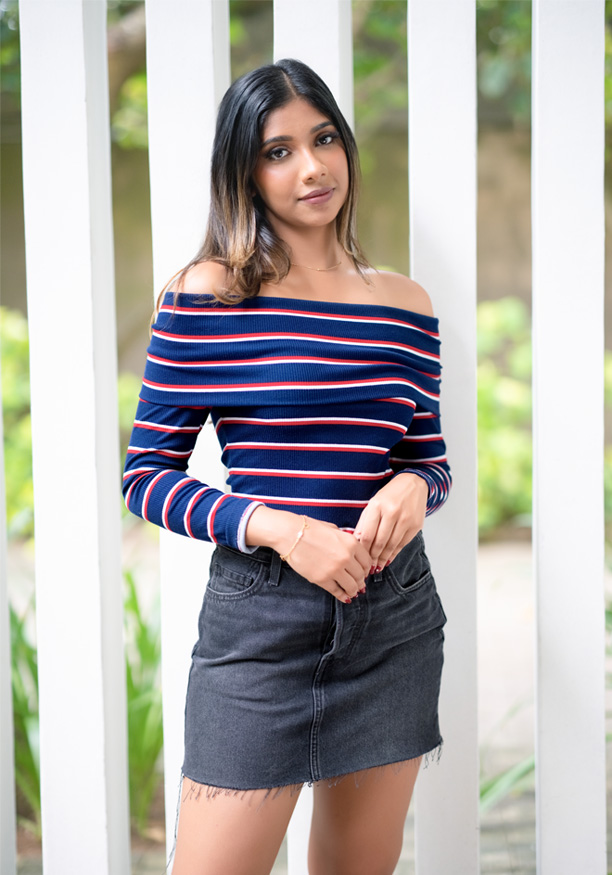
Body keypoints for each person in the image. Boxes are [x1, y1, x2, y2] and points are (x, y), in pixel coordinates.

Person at [123, 58, 451, 875]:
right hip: (261, 626)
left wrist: (413, 487)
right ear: (245, 170)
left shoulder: (406, 304)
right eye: (278, 150)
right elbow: (146, 477)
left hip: (392, 615)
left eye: (324, 139)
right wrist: (281, 528)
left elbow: (428, 457)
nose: (312, 166)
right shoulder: (208, 295)